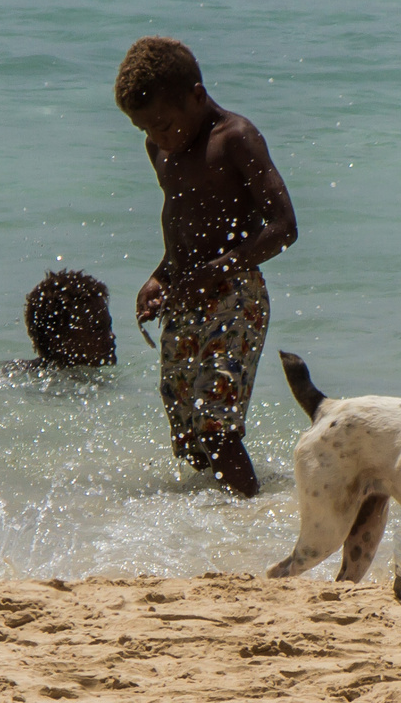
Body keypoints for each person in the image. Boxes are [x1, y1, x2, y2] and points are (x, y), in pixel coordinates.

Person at [116, 36, 298, 496]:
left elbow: (284, 226)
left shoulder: (235, 138)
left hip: (236, 296)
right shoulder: (159, 150)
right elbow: (177, 218)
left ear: (196, 95)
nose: (157, 137)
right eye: (144, 129)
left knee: (216, 427)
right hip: (186, 295)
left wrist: (221, 268)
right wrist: (161, 274)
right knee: (187, 432)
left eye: (163, 123)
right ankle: (220, 525)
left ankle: (249, 514)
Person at [25, 269, 116, 367]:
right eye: (97, 329)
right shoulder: (71, 380)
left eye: (109, 326)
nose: (111, 336)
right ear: (57, 339)